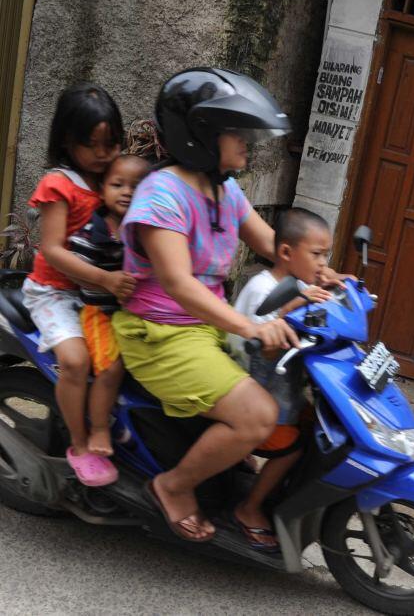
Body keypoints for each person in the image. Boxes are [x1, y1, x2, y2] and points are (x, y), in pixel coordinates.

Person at [110, 67, 346, 543]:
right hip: (161, 333)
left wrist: (324, 273)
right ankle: (172, 487)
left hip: (206, 329)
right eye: (236, 132)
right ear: (200, 133)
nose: (248, 144)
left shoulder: (225, 189)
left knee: (285, 396)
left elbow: (274, 244)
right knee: (258, 414)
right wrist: (250, 326)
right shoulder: (163, 195)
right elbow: (178, 284)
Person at [21, 83, 136, 486]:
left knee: (132, 356)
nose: (103, 154)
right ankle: (81, 441)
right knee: (76, 361)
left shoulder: (120, 179)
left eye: (112, 143)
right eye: (93, 145)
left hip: (102, 296)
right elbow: (53, 250)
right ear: (68, 142)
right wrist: (105, 278)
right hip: (57, 293)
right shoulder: (60, 184)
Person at [228, 208, 337, 551]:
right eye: (317, 254)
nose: (323, 263)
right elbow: (261, 349)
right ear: (287, 253)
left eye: (326, 255)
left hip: (283, 390)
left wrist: (342, 287)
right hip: (254, 388)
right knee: (293, 446)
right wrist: (292, 309)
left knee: (320, 425)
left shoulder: (301, 284)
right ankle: (249, 508)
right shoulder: (264, 288)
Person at [69, 153, 150, 458]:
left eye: (137, 186)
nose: (127, 192)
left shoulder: (146, 231)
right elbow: (76, 271)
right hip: (99, 313)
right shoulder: (95, 230)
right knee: (112, 368)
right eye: (118, 184)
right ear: (103, 190)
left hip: (132, 313)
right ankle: (100, 426)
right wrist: (106, 281)